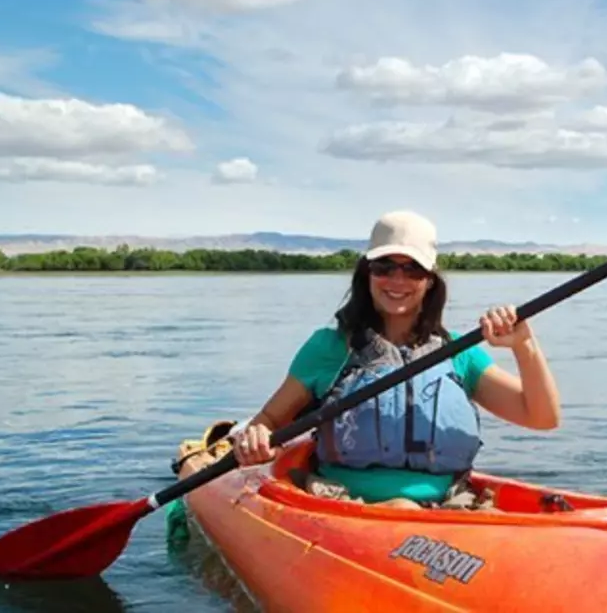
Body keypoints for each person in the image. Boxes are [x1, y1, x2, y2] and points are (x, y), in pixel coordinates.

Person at [231, 210, 561, 509]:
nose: (397, 280)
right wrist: (257, 437)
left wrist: (524, 345)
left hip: (448, 506)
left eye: (413, 270)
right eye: (384, 267)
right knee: (402, 508)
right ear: (367, 274)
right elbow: (269, 421)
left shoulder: (458, 353)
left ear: (430, 281)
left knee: (412, 511)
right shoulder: (329, 348)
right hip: (341, 504)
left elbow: (542, 417)